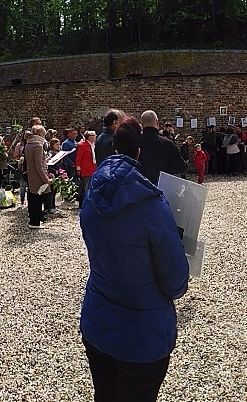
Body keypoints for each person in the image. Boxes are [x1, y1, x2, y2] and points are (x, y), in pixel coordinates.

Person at [79, 118, 189, 402]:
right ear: (139, 152)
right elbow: (176, 282)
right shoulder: (152, 204)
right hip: (141, 333)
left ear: (113, 147)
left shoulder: (92, 192)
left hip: (98, 319)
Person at [138, 110, 187, 185]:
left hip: (139, 186)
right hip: (162, 187)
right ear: (157, 123)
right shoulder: (168, 143)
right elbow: (181, 167)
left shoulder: (134, 143)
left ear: (142, 124)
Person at [24, 125, 51, 229]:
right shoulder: (38, 145)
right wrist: (46, 179)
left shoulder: (29, 143)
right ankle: (35, 222)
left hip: (31, 174)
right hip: (38, 175)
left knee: (33, 197)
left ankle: (33, 219)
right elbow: (38, 165)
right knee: (38, 199)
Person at [75, 130, 98, 207]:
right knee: (86, 188)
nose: (95, 137)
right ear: (89, 137)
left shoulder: (94, 145)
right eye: (93, 136)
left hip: (93, 168)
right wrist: (78, 168)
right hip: (85, 169)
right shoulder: (82, 145)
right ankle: (85, 204)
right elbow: (79, 158)